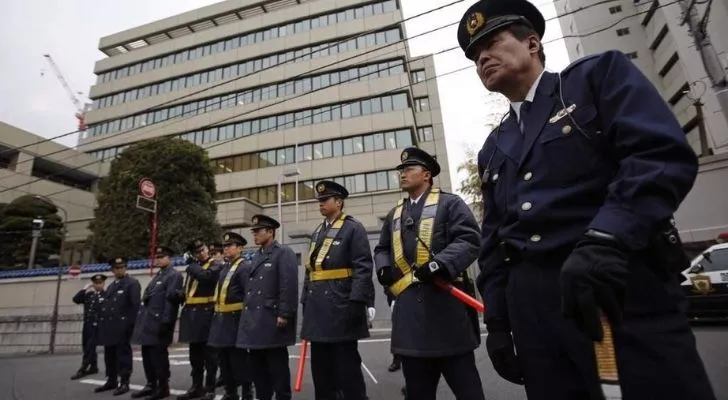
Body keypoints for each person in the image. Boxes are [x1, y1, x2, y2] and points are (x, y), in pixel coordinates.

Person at [457, 1, 718, 399]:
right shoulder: (494, 146)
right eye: (475, 56)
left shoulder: (594, 79)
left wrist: (608, 237)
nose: (483, 58)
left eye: (492, 42)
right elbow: (493, 242)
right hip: (534, 315)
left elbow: (657, 155)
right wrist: (497, 322)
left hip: (613, 287)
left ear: (532, 43)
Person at [373, 147, 484, 400]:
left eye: (408, 169)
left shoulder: (450, 204)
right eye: (400, 171)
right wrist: (383, 267)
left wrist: (439, 264)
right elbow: (382, 248)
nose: (402, 174)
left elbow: (469, 239)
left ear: (426, 175)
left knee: (469, 392)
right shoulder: (395, 214)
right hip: (411, 318)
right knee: (418, 392)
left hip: (446, 312)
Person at [300, 180, 375, 400]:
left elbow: (363, 268)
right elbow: (310, 270)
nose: (320, 204)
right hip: (317, 309)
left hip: (341, 305)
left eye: (325, 200)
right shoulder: (317, 232)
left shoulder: (353, 228)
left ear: (339, 202)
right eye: (319, 200)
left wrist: (357, 302)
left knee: (347, 368)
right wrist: (305, 299)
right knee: (321, 371)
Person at [236, 215, 298, 400]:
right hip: (255, 322)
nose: (254, 235)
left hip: (272, 320)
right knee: (258, 371)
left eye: (258, 231)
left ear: (270, 232)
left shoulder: (283, 253)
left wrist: (284, 313)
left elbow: (288, 285)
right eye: (253, 231)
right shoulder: (256, 255)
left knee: (277, 370)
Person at [131, 245, 184, 400]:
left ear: (169, 258)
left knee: (158, 356)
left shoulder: (173, 276)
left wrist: (166, 322)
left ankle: (163, 387)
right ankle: (150, 384)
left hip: (160, 323)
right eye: (157, 257)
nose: (158, 259)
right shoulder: (159, 276)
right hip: (149, 323)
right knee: (147, 354)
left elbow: (170, 301)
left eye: (162, 257)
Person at [208, 232, 254, 400]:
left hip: (235, 320)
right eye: (225, 246)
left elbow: (248, 296)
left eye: (229, 246)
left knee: (239, 361)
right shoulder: (225, 267)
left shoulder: (244, 267)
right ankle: (230, 392)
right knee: (225, 361)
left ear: (240, 248)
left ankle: (247, 393)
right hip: (221, 320)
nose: (226, 249)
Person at [176, 240, 223, 400]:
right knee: (195, 357)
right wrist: (179, 294)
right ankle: (196, 387)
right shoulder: (194, 268)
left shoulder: (215, 264)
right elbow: (190, 288)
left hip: (206, 315)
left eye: (202, 250)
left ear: (207, 249)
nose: (201, 253)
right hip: (192, 316)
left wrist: (191, 264)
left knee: (210, 357)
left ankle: (210, 389)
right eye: (197, 252)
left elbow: (206, 278)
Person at [94, 257, 141, 396]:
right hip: (110, 326)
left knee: (123, 355)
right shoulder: (112, 285)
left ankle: (125, 381)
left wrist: (131, 326)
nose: (119, 270)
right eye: (116, 268)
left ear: (125, 268)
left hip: (123, 326)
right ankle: (111, 379)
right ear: (112, 270)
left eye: (122, 267)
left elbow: (135, 306)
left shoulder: (132, 283)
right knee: (110, 355)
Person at [71, 273, 106, 380]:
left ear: (104, 284)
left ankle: (83, 368)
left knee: (89, 347)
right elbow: (76, 299)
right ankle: (94, 366)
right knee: (86, 345)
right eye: (96, 283)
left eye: (100, 283)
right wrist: (85, 288)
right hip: (87, 324)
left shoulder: (107, 295)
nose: (98, 285)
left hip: (98, 325)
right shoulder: (89, 295)